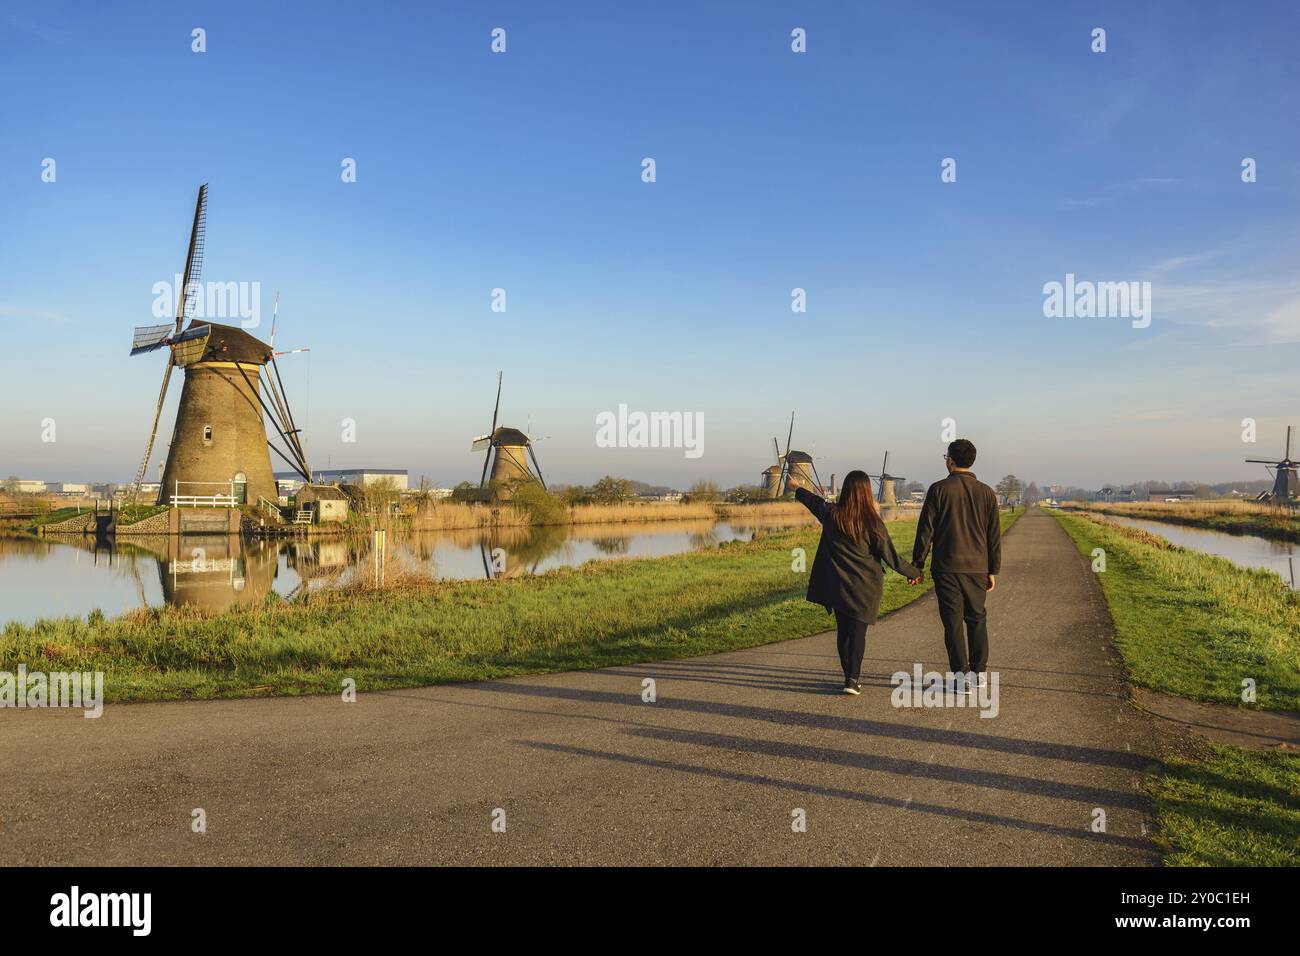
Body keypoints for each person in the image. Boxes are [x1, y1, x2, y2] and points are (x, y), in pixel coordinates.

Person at [789, 470, 921, 695]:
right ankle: (852, 678)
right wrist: (914, 572)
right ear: (867, 492)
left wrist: (796, 488)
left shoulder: (832, 515)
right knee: (858, 633)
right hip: (865, 588)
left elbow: (814, 502)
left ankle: (848, 676)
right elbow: (891, 556)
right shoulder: (873, 523)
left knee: (843, 632)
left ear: (846, 490)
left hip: (838, 587)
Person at [911, 439, 1001, 693]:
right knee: (977, 618)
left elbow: (925, 531)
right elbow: (993, 535)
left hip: (946, 566)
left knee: (952, 622)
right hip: (977, 566)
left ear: (950, 460)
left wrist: (918, 564)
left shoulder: (938, 489)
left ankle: (960, 677)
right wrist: (993, 569)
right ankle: (979, 672)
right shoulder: (987, 492)